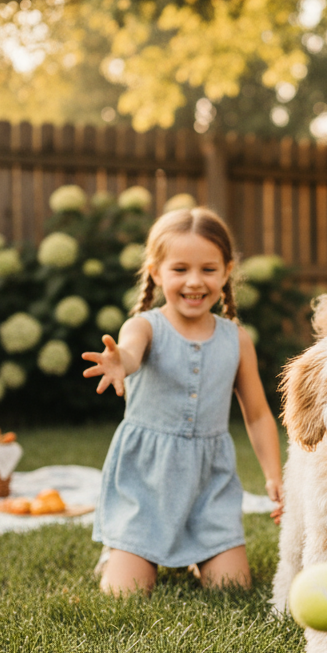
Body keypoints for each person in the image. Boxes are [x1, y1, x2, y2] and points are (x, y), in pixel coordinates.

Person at [83, 206, 283, 596]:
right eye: (180, 270)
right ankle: (118, 552)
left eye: (208, 269)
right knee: (126, 593)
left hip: (209, 487)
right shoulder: (143, 326)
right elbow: (130, 352)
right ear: (156, 272)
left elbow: (258, 415)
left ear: (227, 271)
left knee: (232, 588)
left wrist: (275, 475)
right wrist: (118, 362)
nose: (195, 281)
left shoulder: (237, 340)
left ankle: (199, 551)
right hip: (146, 484)